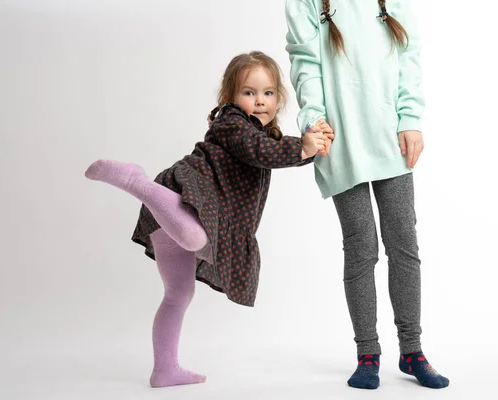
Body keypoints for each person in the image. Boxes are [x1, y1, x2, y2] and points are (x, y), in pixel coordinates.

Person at [84, 51, 334, 387]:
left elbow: (275, 152)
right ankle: (135, 181)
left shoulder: (265, 137)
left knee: (178, 294)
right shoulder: (232, 123)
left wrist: (312, 147)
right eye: (249, 92)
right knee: (196, 239)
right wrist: (302, 148)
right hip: (185, 199)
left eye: (268, 93)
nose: (259, 101)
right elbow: (259, 151)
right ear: (230, 98)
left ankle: (164, 369)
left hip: (169, 215)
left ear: (279, 98)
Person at [285, 0, 449, 389]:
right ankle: (367, 353)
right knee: (361, 248)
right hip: (340, 142)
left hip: (391, 138)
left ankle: (412, 351)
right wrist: (313, 118)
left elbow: (408, 55)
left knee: (403, 244)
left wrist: (410, 118)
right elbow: (304, 60)